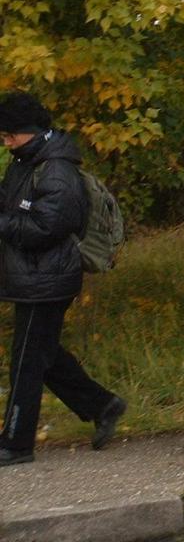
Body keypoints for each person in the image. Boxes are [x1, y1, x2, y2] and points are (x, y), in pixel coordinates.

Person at [0, 92, 127, 467]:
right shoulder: (25, 161)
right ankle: (103, 404)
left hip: (50, 277)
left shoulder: (57, 170)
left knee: (25, 359)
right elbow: (12, 205)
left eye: (9, 134)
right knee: (41, 353)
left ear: (31, 131)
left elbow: (47, 227)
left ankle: (16, 443)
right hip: (32, 274)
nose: (5, 140)